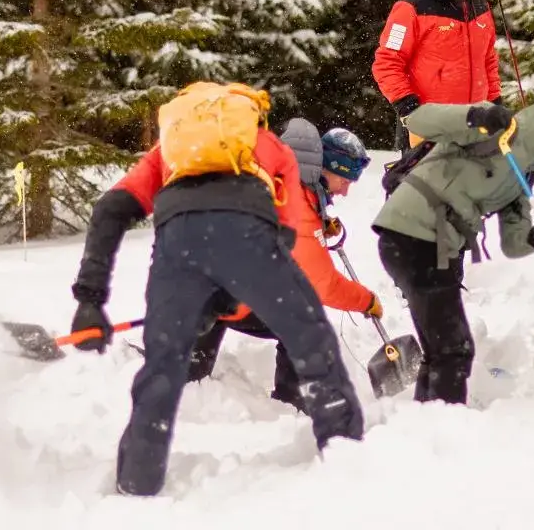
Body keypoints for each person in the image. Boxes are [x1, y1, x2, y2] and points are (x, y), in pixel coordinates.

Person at [68, 84, 364, 497]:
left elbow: (111, 210)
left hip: (177, 240)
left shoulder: (171, 151)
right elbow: (284, 236)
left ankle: (136, 486)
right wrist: (237, 288)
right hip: (250, 230)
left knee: (163, 368)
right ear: (249, 116)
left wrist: (90, 299)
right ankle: (348, 460)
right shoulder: (270, 147)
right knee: (311, 342)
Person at [371, 83, 534, 405]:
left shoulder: (523, 178)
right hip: (412, 234)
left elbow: (513, 244)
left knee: (443, 349)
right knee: (454, 348)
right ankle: (443, 428)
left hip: (440, 249)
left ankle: (427, 424)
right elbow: (418, 121)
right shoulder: (493, 128)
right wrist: (472, 115)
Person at [185, 120, 383, 412]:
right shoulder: (298, 206)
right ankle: (290, 400)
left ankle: (185, 362)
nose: (345, 192)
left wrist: (320, 223)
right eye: (345, 181)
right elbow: (322, 285)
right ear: (326, 172)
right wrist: (366, 301)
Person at [371, 0, 502, 153]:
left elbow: (488, 61)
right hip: (429, 129)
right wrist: (408, 106)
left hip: (474, 128)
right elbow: (386, 63)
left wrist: (494, 102)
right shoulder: (410, 7)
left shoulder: (480, 5)